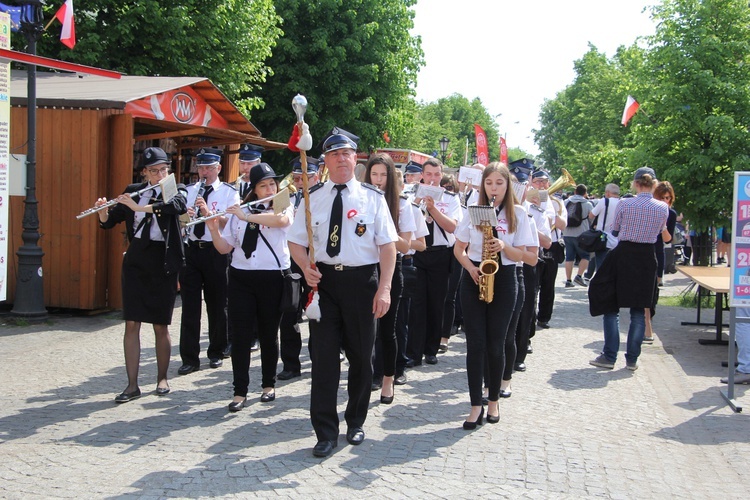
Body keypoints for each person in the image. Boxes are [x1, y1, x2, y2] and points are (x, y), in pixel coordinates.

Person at [288, 128, 398, 458]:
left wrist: (385, 288)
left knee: (362, 357)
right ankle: (325, 431)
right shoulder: (312, 197)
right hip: (324, 285)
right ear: (325, 162)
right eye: (334, 155)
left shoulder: (372, 198)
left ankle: (355, 420)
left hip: (362, 283)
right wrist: (305, 264)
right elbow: (295, 240)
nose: (341, 159)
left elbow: (388, 247)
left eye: (346, 153)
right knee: (323, 360)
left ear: (355, 158)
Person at [95, 147, 187, 402]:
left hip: (163, 260)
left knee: (160, 324)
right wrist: (103, 210)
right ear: (144, 172)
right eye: (154, 170)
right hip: (137, 260)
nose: (160, 174)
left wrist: (139, 206)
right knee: (132, 322)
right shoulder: (134, 189)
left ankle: (162, 378)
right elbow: (109, 222)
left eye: (163, 169)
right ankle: (132, 385)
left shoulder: (174, 188)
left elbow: (175, 207)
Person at [207, 162, 292, 410]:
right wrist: (213, 230)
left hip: (272, 277)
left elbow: (281, 220)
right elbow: (225, 247)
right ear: (254, 189)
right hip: (241, 277)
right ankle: (239, 391)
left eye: (271, 184)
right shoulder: (240, 212)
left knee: (268, 333)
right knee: (241, 336)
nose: (268, 189)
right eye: (263, 186)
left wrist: (247, 216)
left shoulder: (282, 203)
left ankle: (268, 385)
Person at [454, 163, 533, 429]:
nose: (494, 188)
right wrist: (471, 269)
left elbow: (527, 257)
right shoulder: (472, 212)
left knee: (496, 344)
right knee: (475, 344)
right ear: (482, 185)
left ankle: (493, 400)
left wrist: (503, 245)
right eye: (489, 183)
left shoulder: (518, 214)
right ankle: (475, 404)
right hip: (475, 276)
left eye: (499, 183)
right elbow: (459, 249)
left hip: (505, 278)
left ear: (508, 185)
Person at [588, 167, 669, 371]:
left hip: (624, 255)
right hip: (646, 258)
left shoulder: (625, 203)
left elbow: (615, 229)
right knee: (639, 311)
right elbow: (661, 232)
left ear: (635, 183)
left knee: (610, 305)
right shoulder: (662, 207)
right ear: (654, 184)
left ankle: (609, 355)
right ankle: (632, 359)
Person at [178, 147, 240, 375]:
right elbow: (181, 221)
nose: (204, 172)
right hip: (192, 250)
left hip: (216, 251)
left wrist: (208, 214)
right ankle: (189, 358)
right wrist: (187, 216)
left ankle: (216, 351)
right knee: (190, 307)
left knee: (217, 304)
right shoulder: (189, 190)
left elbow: (231, 223)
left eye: (209, 168)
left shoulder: (228, 192)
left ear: (219, 168)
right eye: (201, 167)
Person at [366, 153, 415, 404]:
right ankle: (369, 374)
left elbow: (406, 246)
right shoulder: (362, 200)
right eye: (374, 174)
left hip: (391, 269)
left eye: (383, 175)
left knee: (388, 329)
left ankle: (388, 378)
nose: (378, 180)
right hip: (364, 268)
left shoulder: (403, 205)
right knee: (365, 330)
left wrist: (386, 234)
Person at [406, 158, 461, 367]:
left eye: (436, 174)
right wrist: (419, 204)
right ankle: (414, 352)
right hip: (418, 253)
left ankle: (431, 349)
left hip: (440, 253)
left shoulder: (451, 198)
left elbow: (452, 227)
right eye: (428, 174)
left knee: (436, 303)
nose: (432, 178)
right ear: (422, 175)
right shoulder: (411, 195)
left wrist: (434, 209)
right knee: (417, 304)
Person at [277, 156, 321, 381]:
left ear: (316, 177)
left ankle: (318, 360)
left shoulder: (322, 200)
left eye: (305, 178)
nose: (300, 182)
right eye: (296, 178)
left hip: (314, 261)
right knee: (289, 313)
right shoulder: (287, 200)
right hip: (292, 262)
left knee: (316, 313)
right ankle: (291, 364)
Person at [531, 169, 567, 329]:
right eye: (537, 181)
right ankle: (530, 318)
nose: (541, 184)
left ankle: (544, 317)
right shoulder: (527, 201)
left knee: (548, 284)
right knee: (533, 285)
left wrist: (548, 213)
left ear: (549, 184)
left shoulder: (557, 203)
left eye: (544, 182)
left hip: (551, 245)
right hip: (533, 245)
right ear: (532, 184)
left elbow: (563, 225)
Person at [643, 180, 677, 343]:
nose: (666, 201)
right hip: (644, 252)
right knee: (645, 292)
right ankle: (646, 326)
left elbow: (668, 239)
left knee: (654, 294)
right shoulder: (649, 209)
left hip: (658, 252)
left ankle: (648, 321)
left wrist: (663, 226)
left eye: (668, 198)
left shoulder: (671, 214)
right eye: (663, 197)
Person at [439, 173, 462, 354]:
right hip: (435, 252)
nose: (446, 190)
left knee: (449, 296)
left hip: (453, 250)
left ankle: (444, 336)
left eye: (449, 188)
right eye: (443, 187)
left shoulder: (455, 203)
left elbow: (453, 227)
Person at [562, 184, 594, 287]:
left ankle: (568, 280)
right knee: (586, 256)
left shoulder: (566, 202)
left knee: (569, 257)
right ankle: (579, 276)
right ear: (585, 193)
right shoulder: (588, 204)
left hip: (567, 233)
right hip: (582, 234)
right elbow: (591, 218)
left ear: (575, 192)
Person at [587, 183, 620, 273]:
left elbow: (591, 215)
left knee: (601, 266)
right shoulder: (622, 203)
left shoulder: (604, 201)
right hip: (617, 240)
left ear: (608, 193)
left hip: (602, 239)